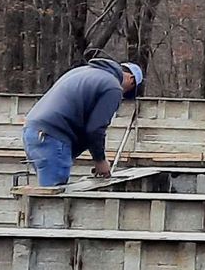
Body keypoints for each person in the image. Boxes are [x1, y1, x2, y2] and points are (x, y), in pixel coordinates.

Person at [22, 57, 143, 187]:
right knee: (52, 201)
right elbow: (95, 129)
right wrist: (100, 161)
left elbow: (83, 125)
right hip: (52, 136)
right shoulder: (113, 87)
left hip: (33, 132)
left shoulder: (83, 71)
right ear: (131, 79)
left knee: (46, 193)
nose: (124, 94)